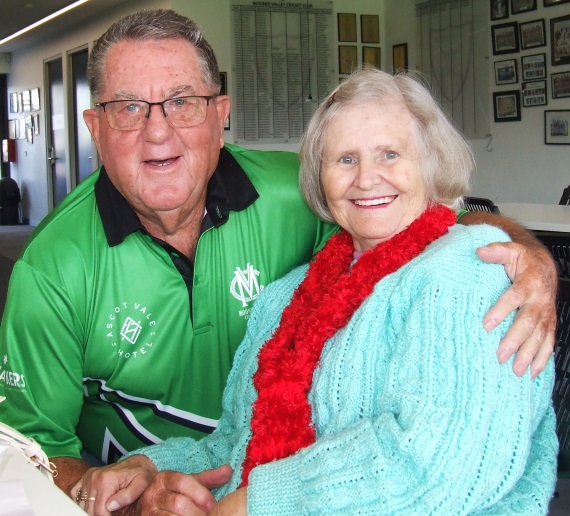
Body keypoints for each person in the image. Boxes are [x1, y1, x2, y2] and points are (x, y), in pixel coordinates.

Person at [0, 8, 557, 500]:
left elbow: (436, 229)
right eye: (127, 108)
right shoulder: (282, 297)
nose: (157, 132)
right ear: (95, 127)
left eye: (181, 102)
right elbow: (238, 441)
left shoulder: (465, 278)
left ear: (222, 114)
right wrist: (140, 476)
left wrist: (526, 252)